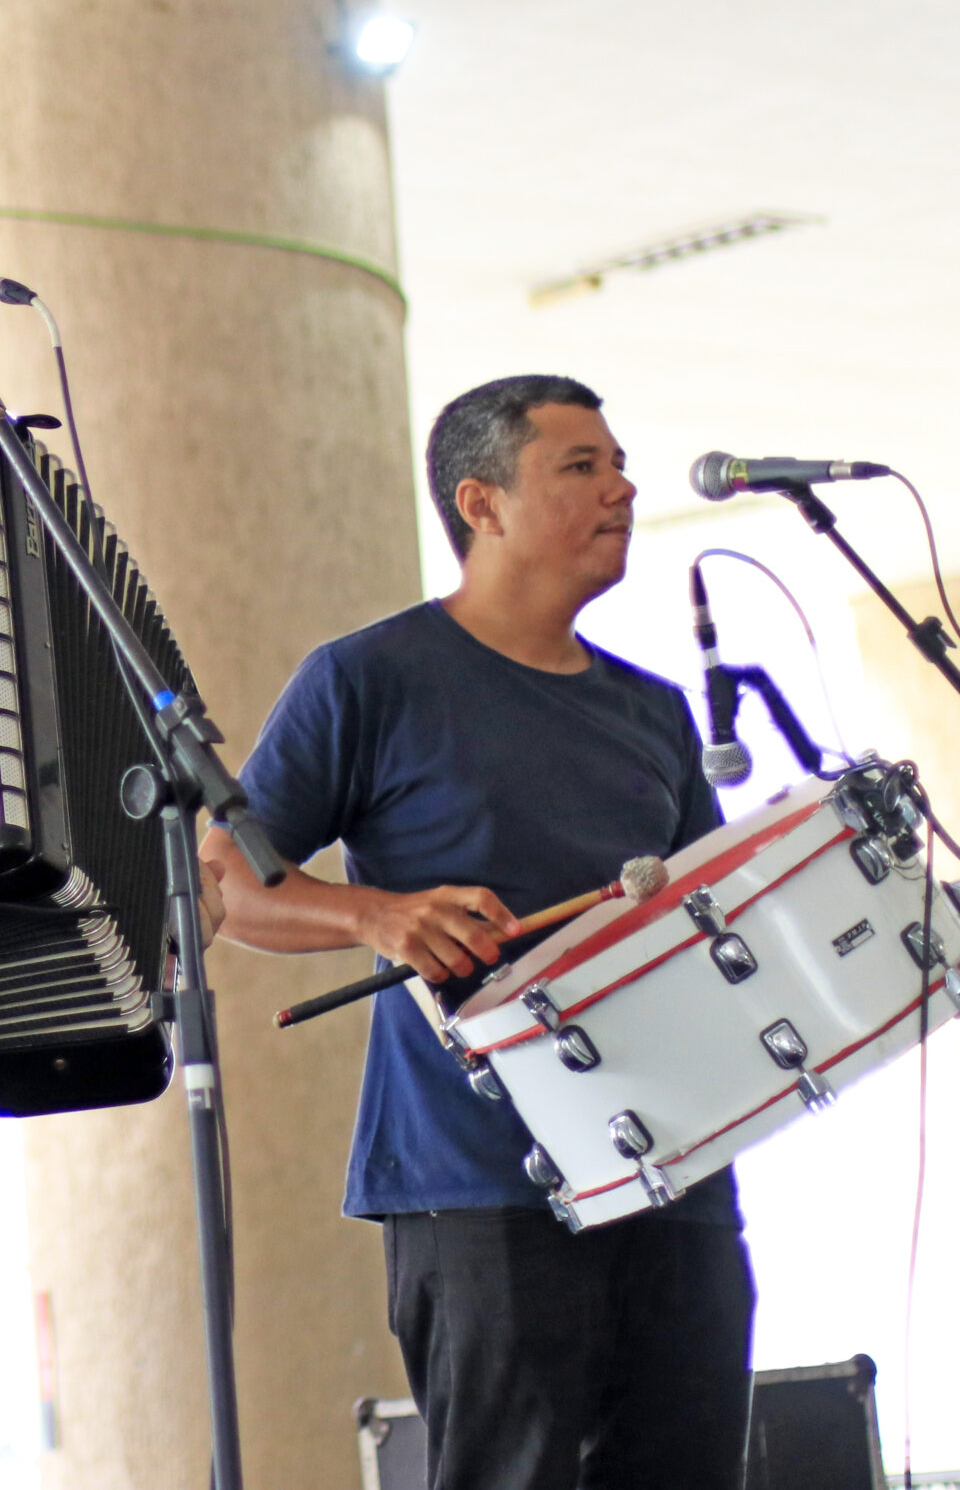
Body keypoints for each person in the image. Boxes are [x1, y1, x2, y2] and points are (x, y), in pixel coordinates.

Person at [204, 376, 753, 1490]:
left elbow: (709, 919)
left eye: (617, 463)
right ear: (481, 503)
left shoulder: (654, 712)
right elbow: (220, 883)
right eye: (580, 467)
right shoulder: (368, 679)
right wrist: (377, 915)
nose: (623, 488)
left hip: (676, 1170)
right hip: (479, 1181)